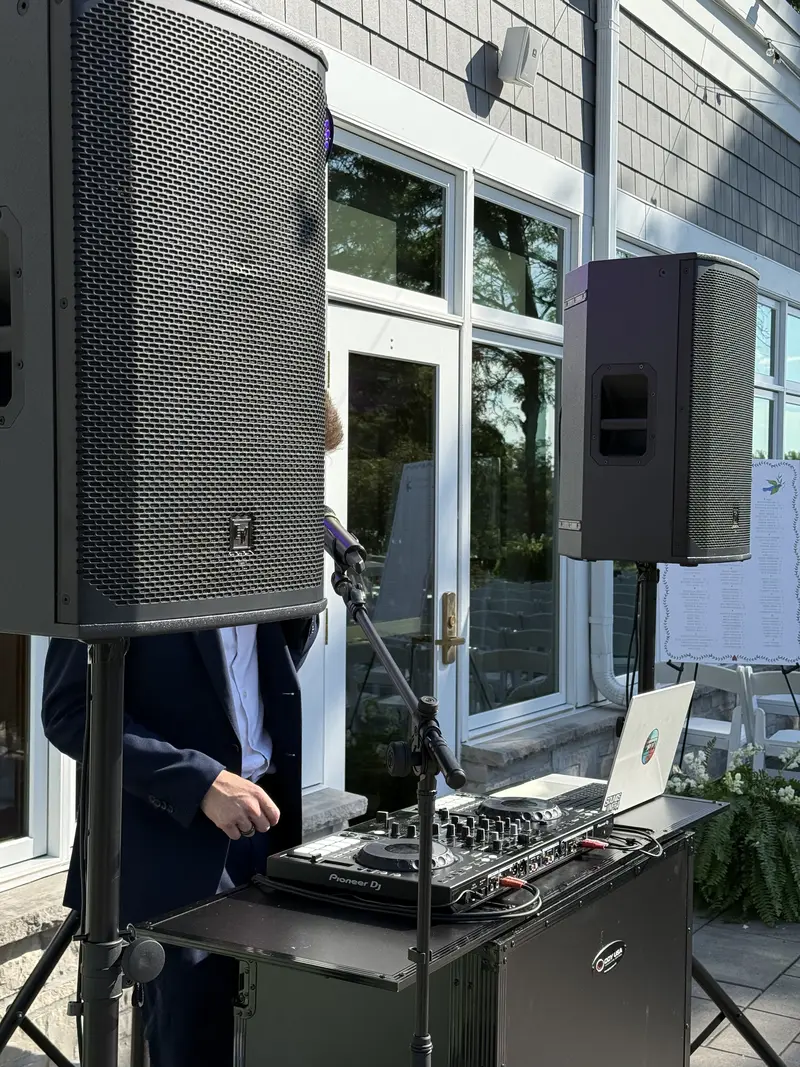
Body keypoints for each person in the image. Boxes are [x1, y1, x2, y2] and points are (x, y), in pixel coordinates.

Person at [42, 394, 344, 1067]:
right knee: (190, 1048)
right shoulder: (124, 535)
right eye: (293, 468)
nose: (304, 489)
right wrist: (201, 780)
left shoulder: (266, 553)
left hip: (264, 835)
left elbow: (254, 682)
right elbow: (69, 710)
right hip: (172, 849)